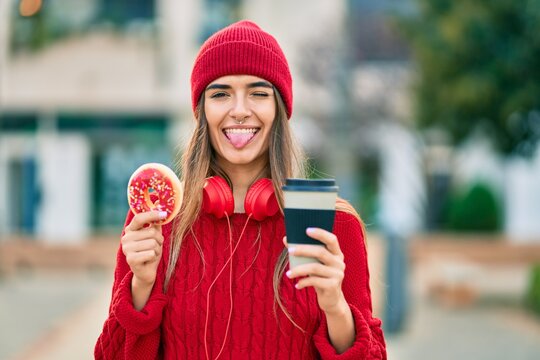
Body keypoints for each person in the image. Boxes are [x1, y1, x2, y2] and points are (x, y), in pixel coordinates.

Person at [95, 20, 386, 360]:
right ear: (202, 110)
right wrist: (140, 287)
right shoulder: (157, 221)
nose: (239, 110)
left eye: (258, 93)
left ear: (279, 109)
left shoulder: (331, 225)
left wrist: (336, 306)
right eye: (220, 94)